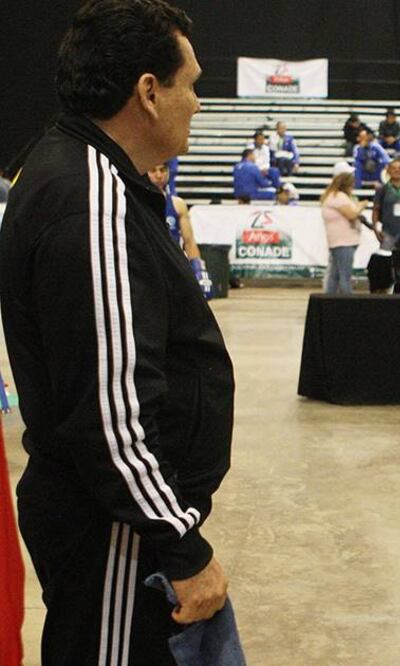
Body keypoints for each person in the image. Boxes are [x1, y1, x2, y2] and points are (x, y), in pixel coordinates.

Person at [0, 2, 236, 662]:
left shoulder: (85, 177)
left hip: (119, 523)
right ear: (149, 92)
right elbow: (109, 409)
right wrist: (180, 544)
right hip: (115, 531)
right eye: (190, 84)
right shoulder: (87, 197)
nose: (197, 101)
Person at [320, 171, 366, 294]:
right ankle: (348, 302)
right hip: (344, 241)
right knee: (344, 276)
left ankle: (329, 300)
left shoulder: (332, 196)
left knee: (334, 274)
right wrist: (361, 206)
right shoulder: (338, 197)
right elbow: (351, 214)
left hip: (338, 241)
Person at [148, 162, 200, 259]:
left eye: (162, 170)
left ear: (168, 172)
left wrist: (197, 268)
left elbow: (189, 242)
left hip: (172, 260)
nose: (158, 175)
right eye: (153, 171)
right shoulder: (138, 202)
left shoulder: (178, 204)